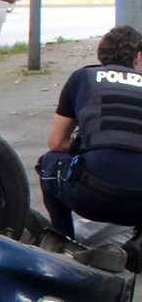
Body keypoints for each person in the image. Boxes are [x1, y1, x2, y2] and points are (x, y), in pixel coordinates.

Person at [37, 26, 142, 241]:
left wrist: (87, 145)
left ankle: (63, 241)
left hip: (90, 198)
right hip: (138, 206)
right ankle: (137, 244)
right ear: (138, 58)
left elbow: (56, 143)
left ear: (101, 55)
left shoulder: (83, 78)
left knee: (49, 162)